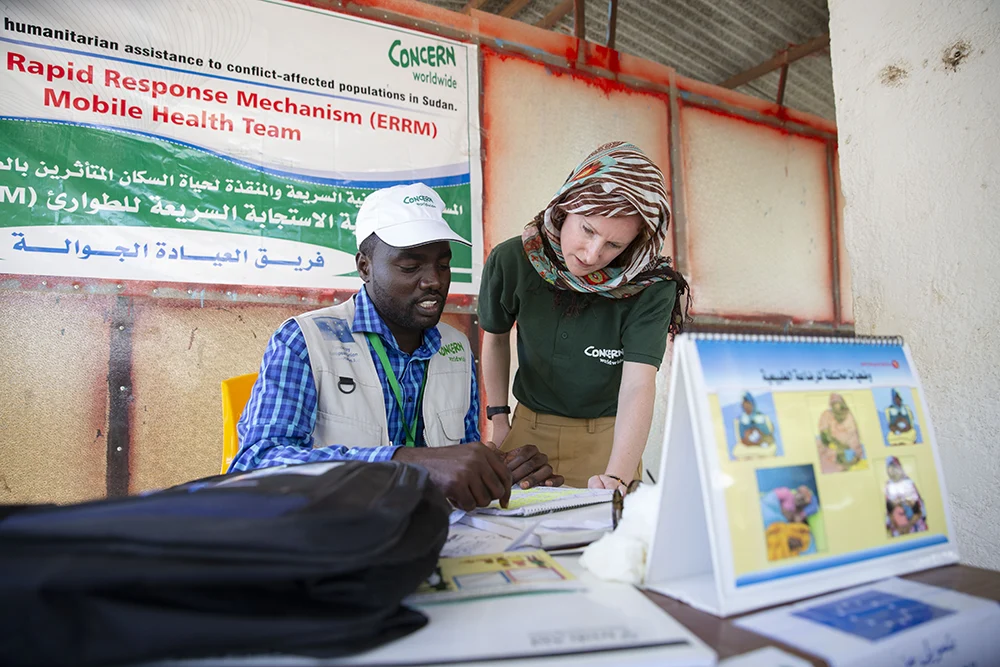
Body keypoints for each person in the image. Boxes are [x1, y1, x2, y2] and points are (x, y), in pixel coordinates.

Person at [231, 182, 561, 510]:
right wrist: (409, 463)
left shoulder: (456, 349)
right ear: (365, 267)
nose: (434, 280)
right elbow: (257, 464)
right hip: (331, 535)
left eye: (443, 265)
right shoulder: (304, 341)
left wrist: (498, 472)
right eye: (409, 266)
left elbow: (457, 460)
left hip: (433, 533)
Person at [477, 142, 690, 490]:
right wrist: (499, 418)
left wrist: (617, 476)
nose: (592, 255)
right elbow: (496, 337)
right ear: (565, 207)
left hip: (608, 441)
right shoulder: (513, 259)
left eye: (614, 245)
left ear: (636, 244)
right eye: (588, 230)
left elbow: (638, 383)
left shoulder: (651, 287)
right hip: (527, 432)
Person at [816, 393, 867, 473]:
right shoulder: (826, 415)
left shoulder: (848, 415)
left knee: (853, 456)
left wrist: (848, 447)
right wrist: (838, 445)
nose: (837, 407)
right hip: (833, 444)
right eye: (834, 404)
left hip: (850, 444)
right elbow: (824, 435)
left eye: (838, 404)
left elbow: (854, 434)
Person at [732, 391, 778, 459]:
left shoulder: (761, 416)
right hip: (748, 444)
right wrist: (748, 438)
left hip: (763, 441)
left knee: (769, 448)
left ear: (752, 404)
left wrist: (759, 426)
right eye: (744, 404)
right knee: (737, 451)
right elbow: (742, 437)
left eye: (748, 404)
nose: (746, 406)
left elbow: (768, 433)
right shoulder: (741, 420)